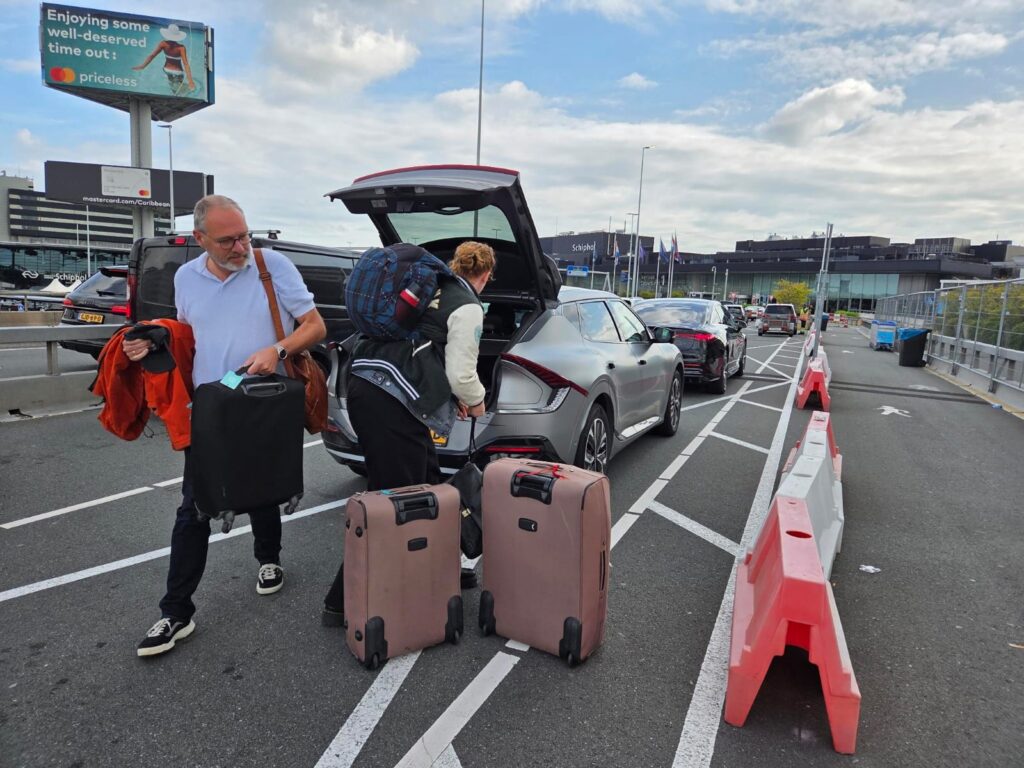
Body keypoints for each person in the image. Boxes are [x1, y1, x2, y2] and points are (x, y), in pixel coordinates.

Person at [125, 195, 326, 657]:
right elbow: (188, 335)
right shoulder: (186, 277)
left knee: (264, 487)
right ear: (200, 240)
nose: (240, 247)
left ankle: (268, 558)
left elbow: (315, 327)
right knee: (193, 507)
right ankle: (176, 612)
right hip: (211, 409)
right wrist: (152, 341)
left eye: (244, 236)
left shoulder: (271, 265)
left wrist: (276, 349)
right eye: (228, 241)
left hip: (265, 403)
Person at [321, 241, 495, 626]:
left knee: (428, 481)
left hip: (369, 384)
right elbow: (462, 374)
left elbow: (424, 351)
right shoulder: (466, 305)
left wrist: (451, 396)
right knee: (392, 501)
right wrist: (478, 402)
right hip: (392, 400)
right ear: (485, 276)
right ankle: (341, 602)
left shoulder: (425, 288)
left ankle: (449, 568)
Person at [133, 23, 196, 95]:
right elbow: (186, 64)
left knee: (173, 87)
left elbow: (152, 55)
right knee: (181, 89)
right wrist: (190, 81)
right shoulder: (181, 48)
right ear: (177, 36)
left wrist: (143, 66)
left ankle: (175, 94)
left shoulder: (163, 44)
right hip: (178, 72)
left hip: (167, 70)